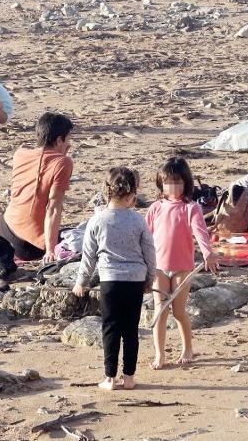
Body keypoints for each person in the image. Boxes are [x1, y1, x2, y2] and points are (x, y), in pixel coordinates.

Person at [73, 166, 157, 391]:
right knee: (130, 329)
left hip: (109, 281)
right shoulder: (138, 221)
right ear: (132, 195)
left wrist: (81, 282)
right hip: (135, 281)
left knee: (110, 328)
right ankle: (129, 377)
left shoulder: (97, 220)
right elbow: (149, 251)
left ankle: (110, 378)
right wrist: (150, 279)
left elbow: (88, 255)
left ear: (106, 192)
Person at [145, 157, 221, 370]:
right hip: (158, 266)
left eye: (178, 182)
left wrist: (208, 253)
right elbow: (145, 236)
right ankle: (160, 354)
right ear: (161, 183)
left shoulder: (192, 208)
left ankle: (187, 347)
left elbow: (200, 232)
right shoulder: (155, 208)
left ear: (186, 183)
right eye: (168, 182)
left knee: (178, 310)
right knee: (160, 310)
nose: (174, 187)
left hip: (182, 267)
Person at [0, 112, 73, 262]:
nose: (69, 144)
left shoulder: (20, 153)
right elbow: (53, 208)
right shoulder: (63, 163)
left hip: (3, 228)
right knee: (83, 235)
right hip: (27, 246)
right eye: (67, 139)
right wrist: (50, 250)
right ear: (59, 140)